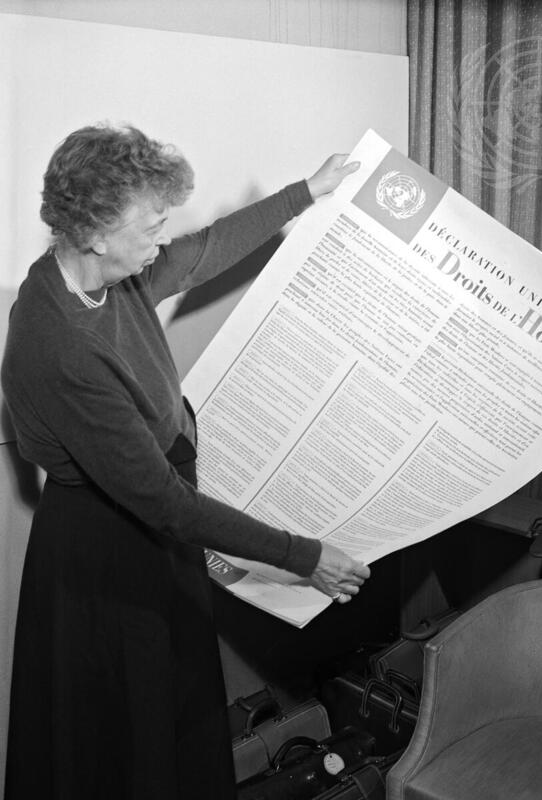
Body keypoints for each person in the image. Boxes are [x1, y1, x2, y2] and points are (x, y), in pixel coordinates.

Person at [1, 123, 371, 799]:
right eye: (150, 228)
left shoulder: (112, 274)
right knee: (131, 728)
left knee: (176, 706)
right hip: (108, 548)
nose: (160, 242)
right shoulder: (58, 342)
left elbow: (202, 252)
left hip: (152, 521)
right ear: (96, 233)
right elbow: (163, 502)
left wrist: (306, 192)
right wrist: (304, 556)